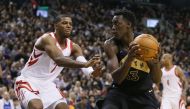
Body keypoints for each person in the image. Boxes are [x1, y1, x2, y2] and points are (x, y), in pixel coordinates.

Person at [14, 15, 101, 109]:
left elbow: (82, 60)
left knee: (63, 107)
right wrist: (85, 64)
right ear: (55, 26)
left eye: (70, 24)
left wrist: (91, 72)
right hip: (28, 80)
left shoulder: (74, 47)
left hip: (47, 85)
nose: (68, 26)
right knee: (36, 106)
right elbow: (59, 59)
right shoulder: (46, 39)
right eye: (64, 23)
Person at [101, 9, 162, 109]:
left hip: (143, 94)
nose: (113, 28)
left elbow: (157, 79)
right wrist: (129, 59)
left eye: (117, 23)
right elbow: (117, 79)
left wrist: (155, 64)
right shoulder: (111, 45)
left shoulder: (146, 44)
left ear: (128, 24)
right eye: (112, 24)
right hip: (119, 92)